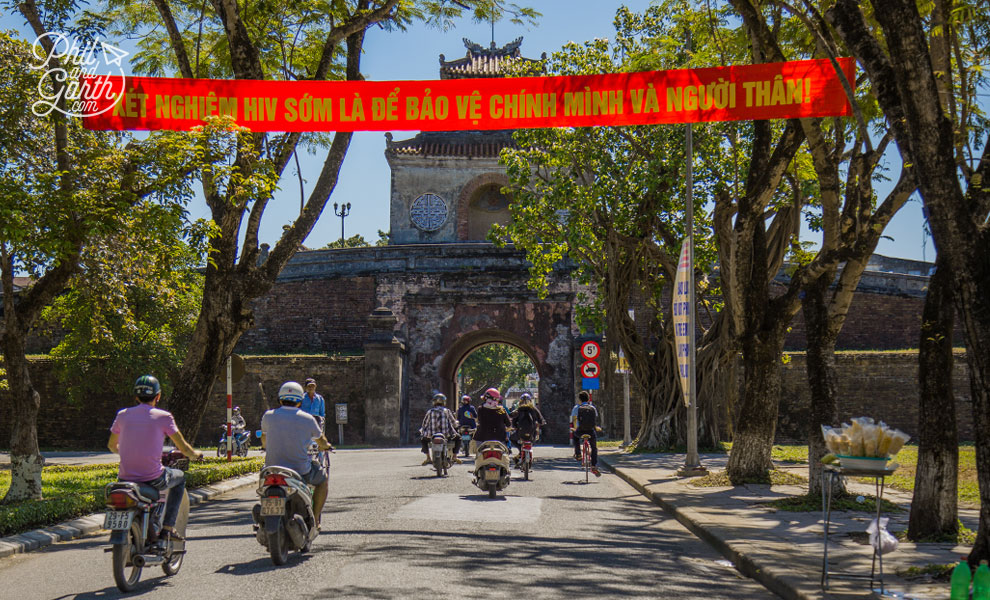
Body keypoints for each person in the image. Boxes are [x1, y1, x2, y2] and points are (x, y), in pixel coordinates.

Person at [107, 375, 204, 542]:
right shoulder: (163, 417)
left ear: (136, 397)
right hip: (153, 478)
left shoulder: (122, 415)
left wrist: (128, 452)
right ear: (158, 396)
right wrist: (195, 454)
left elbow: (111, 446)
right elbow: (184, 448)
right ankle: (167, 528)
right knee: (180, 479)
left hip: (124, 478)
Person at [261, 381, 334, 529]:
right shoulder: (307, 418)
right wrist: (327, 446)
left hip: (272, 469)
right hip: (300, 471)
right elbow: (322, 441)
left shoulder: (268, 416)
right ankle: (315, 519)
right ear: (300, 401)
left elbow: (264, 442)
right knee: (322, 481)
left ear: (280, 399)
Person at [419, 393, 462, 465]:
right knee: (459, 439)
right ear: (444, 402)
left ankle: (428, 458)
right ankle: (454, 456)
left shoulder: (430, 412)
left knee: (423, 439)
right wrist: (456, 425)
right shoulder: (447, 411)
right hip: (446, 436)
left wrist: (422, 431)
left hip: (431, 436)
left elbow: (425, 424)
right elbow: (453, 423)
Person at [570, 390, 601, 477]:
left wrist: (574, 428)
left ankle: (578, 454)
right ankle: (594, 465)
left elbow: (574, 420)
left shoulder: (576, 408)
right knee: (594, 447)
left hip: (581, 431)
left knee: (575, 437)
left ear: (579, 399)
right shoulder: (592, 408)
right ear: (588, 399)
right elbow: (594, 420)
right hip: (590, 431)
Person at [510, 393, 546, 463]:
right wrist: (542, 422)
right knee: (534, 440)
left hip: (520, 433)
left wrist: (514, 427)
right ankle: (524, 451)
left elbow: (514, 420)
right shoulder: (534, 409)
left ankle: (520, 451)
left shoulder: (519, 409)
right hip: (532, 433)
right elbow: (540, 419)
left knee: (511, 438)